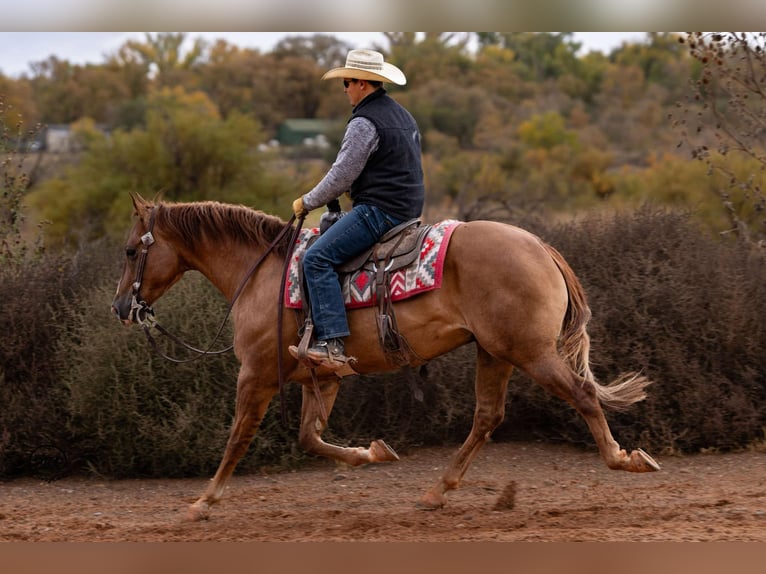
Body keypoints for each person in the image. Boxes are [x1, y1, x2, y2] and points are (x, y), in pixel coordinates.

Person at [289, 49, 425, 370]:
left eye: (347, 83)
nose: (345, 89)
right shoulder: (403, 115)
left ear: (363, 83)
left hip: (380, 211)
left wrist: (306, 201)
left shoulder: (364, 122)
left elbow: (340, 176)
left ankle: (331, 342)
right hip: (408, 210)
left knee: (316, 259)